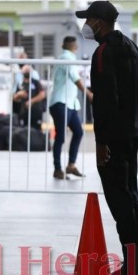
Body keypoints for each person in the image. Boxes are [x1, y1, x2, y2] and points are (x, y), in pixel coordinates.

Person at [75, 1, 138, 275]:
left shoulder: (103, 53)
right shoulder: (130, 46)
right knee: (132, 197)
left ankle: (132, 269)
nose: (86, 25)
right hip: (131, 134)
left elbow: (106, 102)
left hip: (115, 138)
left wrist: (101, 143)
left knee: (120, 200)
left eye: (89, 20)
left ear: (99, 22)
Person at [49, 36, 93, 179]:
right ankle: (57, 169)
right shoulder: (67, 58)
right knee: (61, 137)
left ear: (63, 45)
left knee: (78, 132)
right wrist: (89, 94)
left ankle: (71, 165)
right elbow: (75, 78)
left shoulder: (66, 57)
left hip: (69, 103)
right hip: (61, 103)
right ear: (76, 46)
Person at [12, 65, 45, 130]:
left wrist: (31, 101)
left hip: (35, 112)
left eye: (28, 70)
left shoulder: (35, 82)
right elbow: (14, 98)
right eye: (25, 70)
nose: (27, 72)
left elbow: (42, 94)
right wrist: (19, 95)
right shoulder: (20, 84)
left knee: (36, 132)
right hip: (23, 114)